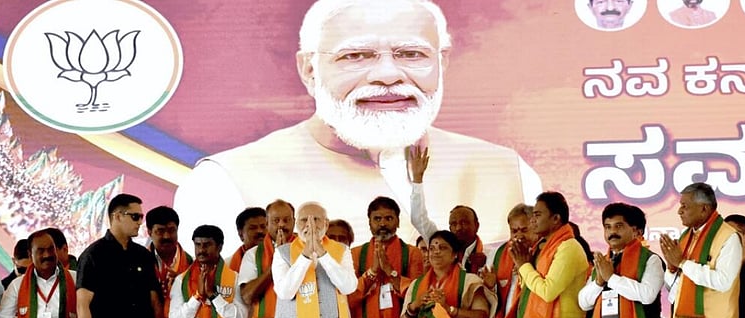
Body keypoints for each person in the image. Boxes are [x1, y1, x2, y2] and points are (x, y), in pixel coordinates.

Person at [174, 0, 541, 256]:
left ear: (442, 62)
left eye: (411, 54)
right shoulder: (223, 181)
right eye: (356, 56)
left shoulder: (509, 171)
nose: (387, 75)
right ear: (309, 69)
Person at [660, 182, 741, 318]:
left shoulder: (728, 237)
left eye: (685, 206)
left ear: (704, 209)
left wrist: (683, 263)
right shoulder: (688, 237)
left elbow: (722, 281)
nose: (679, 211)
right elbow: (676, 291)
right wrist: (672, 268)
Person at [511, 192, 589, 318]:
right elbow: (528, 287)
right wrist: (524, 266)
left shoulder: (569, 247)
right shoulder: (540, 247)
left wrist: (523, 265)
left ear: (556, 219)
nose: (532, 219)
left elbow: (548, 291)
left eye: (537, 214)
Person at [407, 146, 492, 273]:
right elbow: (418, 219)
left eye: (464, 223)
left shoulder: (490, 256)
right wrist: (417, 179)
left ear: (477, 225)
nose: (458, 228)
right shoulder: (442, 245)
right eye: (453, 224)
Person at [229, 207, 266, 273]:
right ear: (241, 235)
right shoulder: (228, 265)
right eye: (253, 228)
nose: (260, 231)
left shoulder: (280, 255)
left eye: (263, 226)